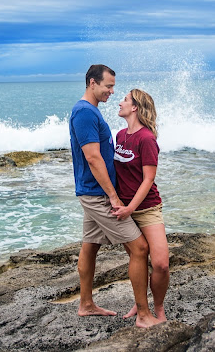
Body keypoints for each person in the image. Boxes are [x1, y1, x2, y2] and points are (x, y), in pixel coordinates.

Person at [69, 65, 161, 328]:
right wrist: (113, 196)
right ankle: (143, 315)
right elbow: (93, 156)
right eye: (108, 86)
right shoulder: (85, 112)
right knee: (139, 248)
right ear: (91, 83)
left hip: (92, 191)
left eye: (113, 88)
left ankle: (86, 304)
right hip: (98, 194)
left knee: (90, 245)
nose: (111, 92)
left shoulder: (89, 111)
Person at [112, 89, 170, 322]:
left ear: (135, 107)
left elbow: (148, 180)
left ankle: (159, 307)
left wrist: (130, 208)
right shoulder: (119, 135)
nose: (120, 102)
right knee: (138, 259)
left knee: (161, 264)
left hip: (146, 209)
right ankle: (141, 305)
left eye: (125, 100)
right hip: (124, 210)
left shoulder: (146, 139)